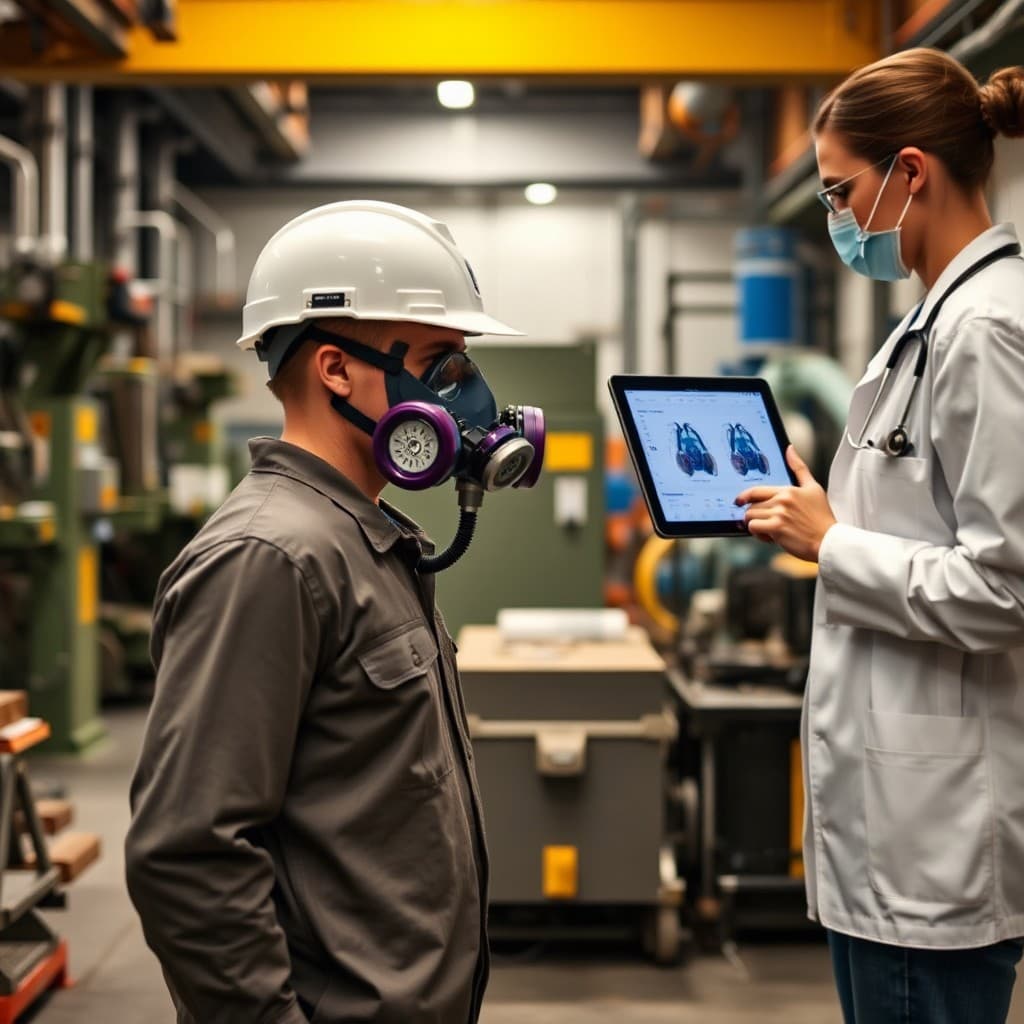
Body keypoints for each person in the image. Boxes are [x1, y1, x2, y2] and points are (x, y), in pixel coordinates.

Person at [125, 201, 523, 1024]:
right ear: (336, 370)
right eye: (441, 364)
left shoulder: (359, 539)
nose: (470, 397)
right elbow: (187, 852)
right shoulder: (269, 559)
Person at [737, 49, 1024, 1024]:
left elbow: (1008, 587)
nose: (835, 218)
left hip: (929, 842)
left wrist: (836, 545)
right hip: (891, 823)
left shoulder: (985, 329)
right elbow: (928, 527)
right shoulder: (927, 325)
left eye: (837, 191)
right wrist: (827, 514)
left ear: (910, 172)